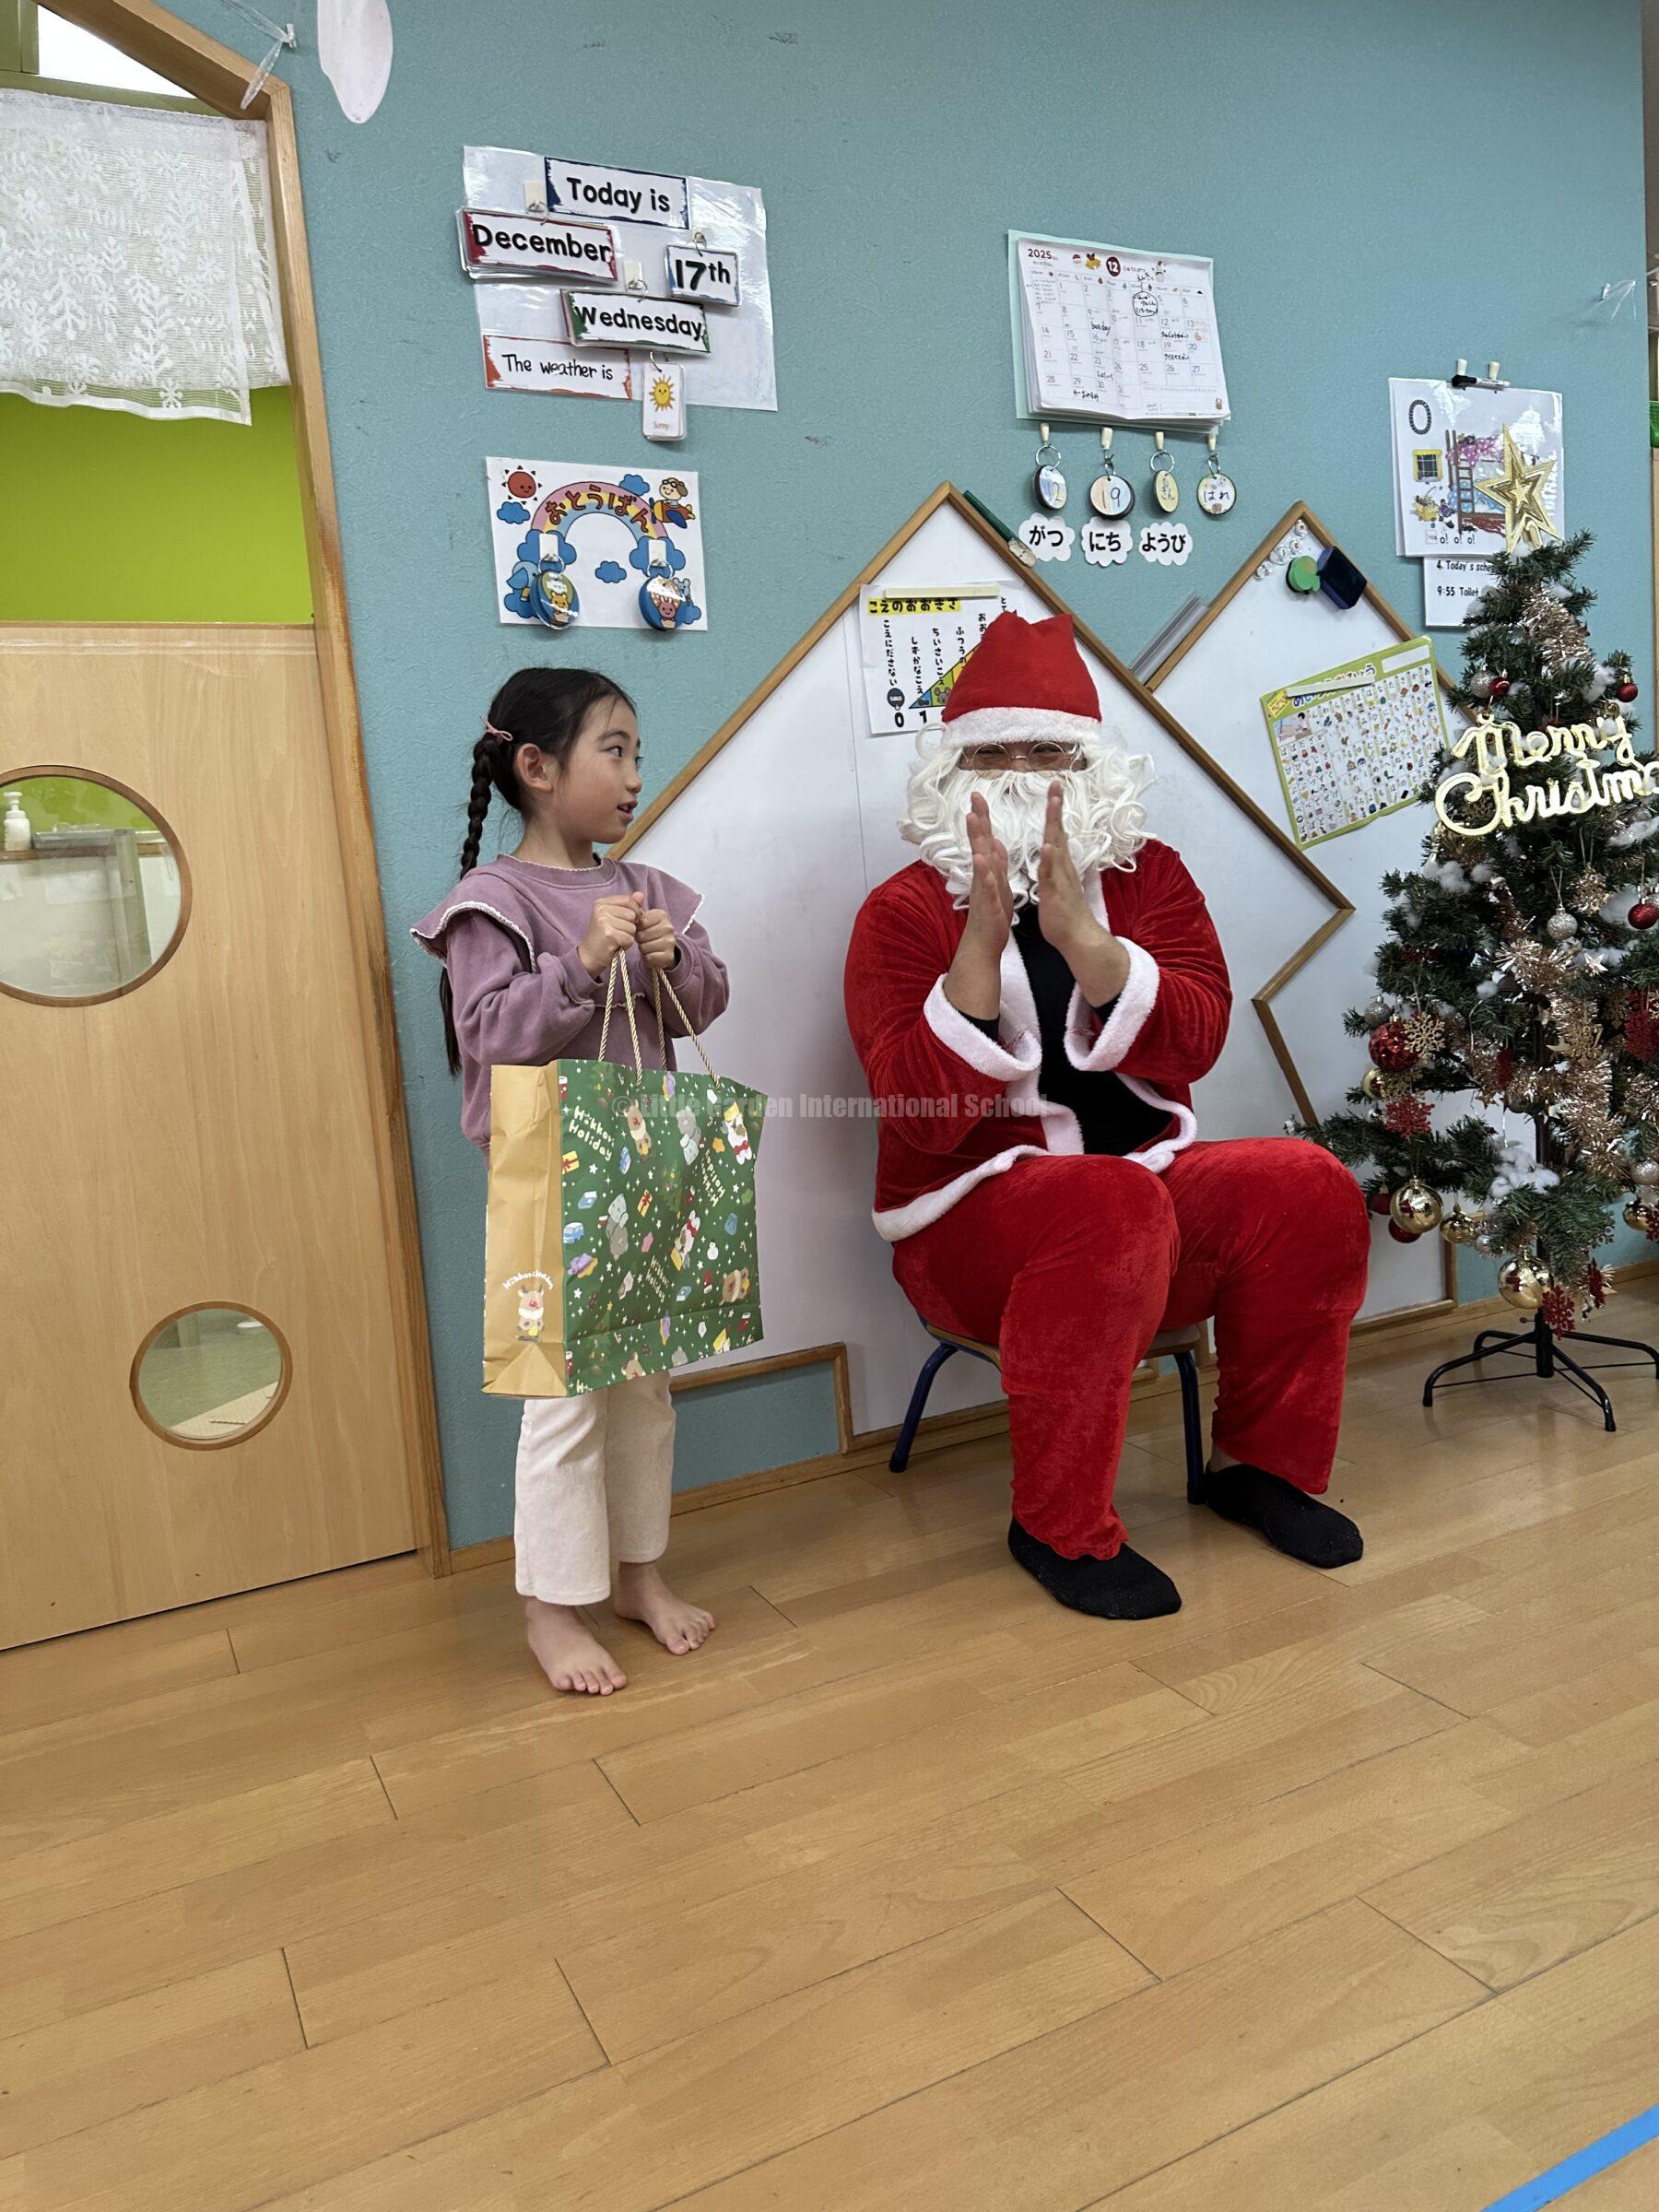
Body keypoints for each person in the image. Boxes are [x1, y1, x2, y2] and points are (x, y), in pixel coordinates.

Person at [843, 611, 1371, 1619]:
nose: (1023, 775)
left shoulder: (1150, 878)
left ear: (1092, 766)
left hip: (1147, 1197)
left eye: (1049, 752)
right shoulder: (902, 911)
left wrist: (1086, 942)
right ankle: (1057, 1523)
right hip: (969, 1224)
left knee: (1306, 1185)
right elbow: (921, 1117)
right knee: (1106, 1207)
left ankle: (1260, 1468)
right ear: (952, 769)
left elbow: (1199, 1037)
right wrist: (979, 949)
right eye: (994, 753)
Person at [414, 667, 729, 1693]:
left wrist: (674, 960)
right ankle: (549, 1607)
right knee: (561, 1397)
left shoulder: (647, 889)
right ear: (537, 768)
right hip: (548, 1180)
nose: (635, 776)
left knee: (645, 1388)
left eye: (638, 753)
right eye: (615, 751)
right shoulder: (492, 903)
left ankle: (638, 1574)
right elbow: (490, 1037)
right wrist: (582, 964)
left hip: (645, 1164)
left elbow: (705, 1003)